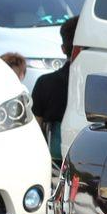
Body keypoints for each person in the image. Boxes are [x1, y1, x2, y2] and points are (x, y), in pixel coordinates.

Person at [32, 16, 78, 162]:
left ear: (63, 49)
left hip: (56, 158)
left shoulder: (45, 83)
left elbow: (35, 129)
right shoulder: (104, 82)